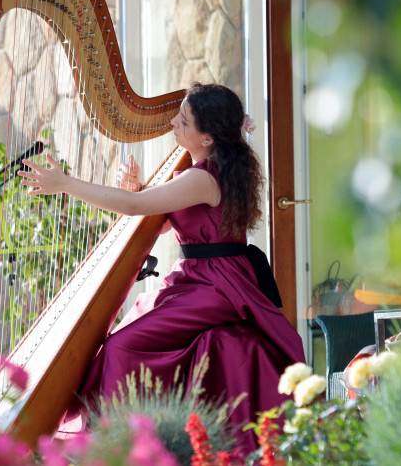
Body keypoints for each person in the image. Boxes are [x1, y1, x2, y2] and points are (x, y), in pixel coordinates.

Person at [18, 83, 306, 453]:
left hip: (216, 285)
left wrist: (66, 184)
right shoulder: (208, 168)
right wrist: (139, 189)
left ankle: (122, 447)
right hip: (205, 278)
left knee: (122, 345)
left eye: (182, 121)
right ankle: (132, 440)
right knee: (127, 334)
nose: (173, 123)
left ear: (206, 137)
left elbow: (135, 207)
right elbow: (170, 220)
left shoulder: (202, 177)